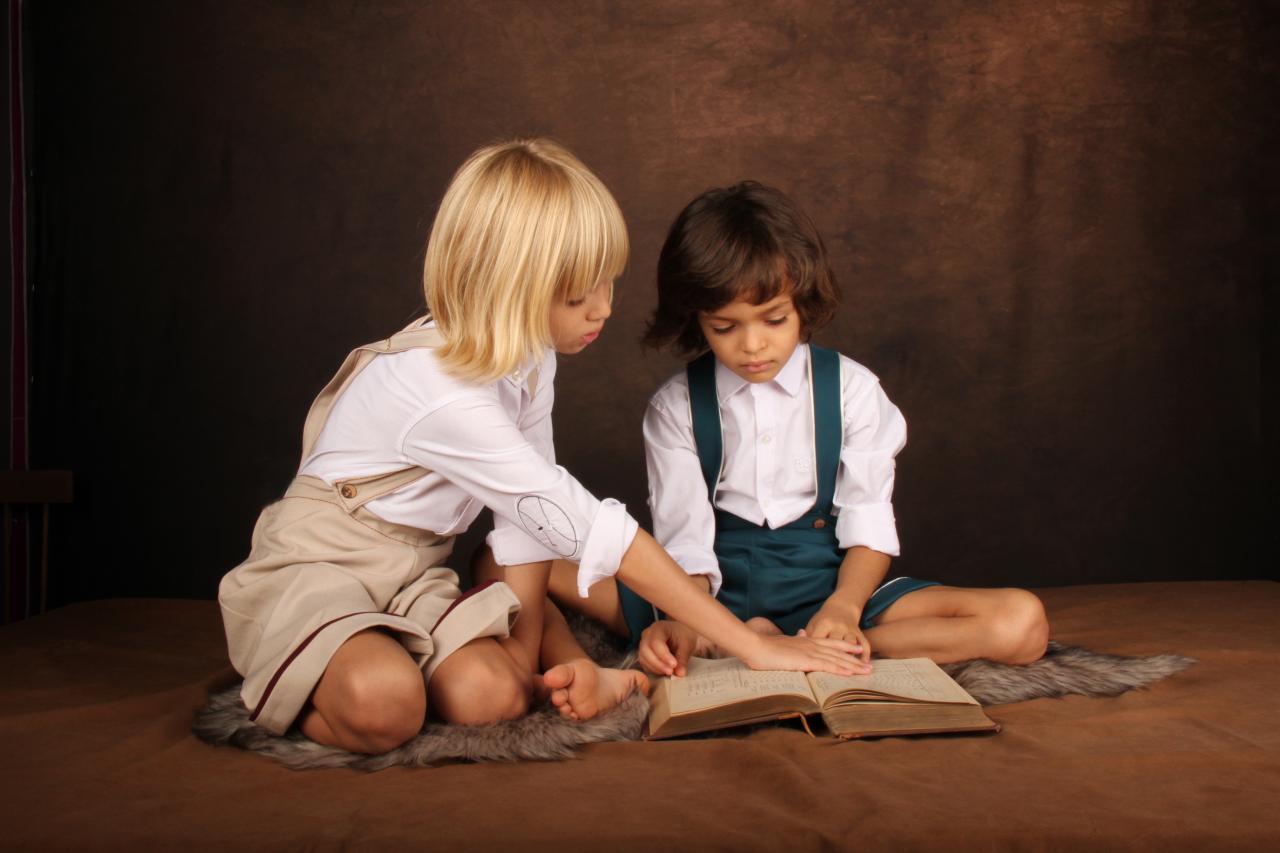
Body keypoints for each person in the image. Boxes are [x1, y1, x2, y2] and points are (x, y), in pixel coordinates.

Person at [219, 144, 864, 753]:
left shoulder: (528, 360)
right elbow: (586, 525)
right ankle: (301, 670)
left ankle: (402, 657)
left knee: (493, 698)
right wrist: (754, 648)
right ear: (508, 288)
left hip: (416, 575)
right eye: (577, 297)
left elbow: (526, 527)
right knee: (387, 704)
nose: (602, 310)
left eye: (607, 284)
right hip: (323, 565)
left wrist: (523, 661)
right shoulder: (437, 389)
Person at [547, 181, 1049, 679]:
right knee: (534, 566)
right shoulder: (675, 407)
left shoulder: (852, 390)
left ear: (802, 302)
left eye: (774, 320)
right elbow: (686, 541)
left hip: (829, 593)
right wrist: (687, 620)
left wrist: (845, 610)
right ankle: (742, 643)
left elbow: (869, 521)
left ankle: (818, 648)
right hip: (713, 600)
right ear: (696, 319)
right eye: (725, 327)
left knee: (1020, 622)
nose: (752, 345)